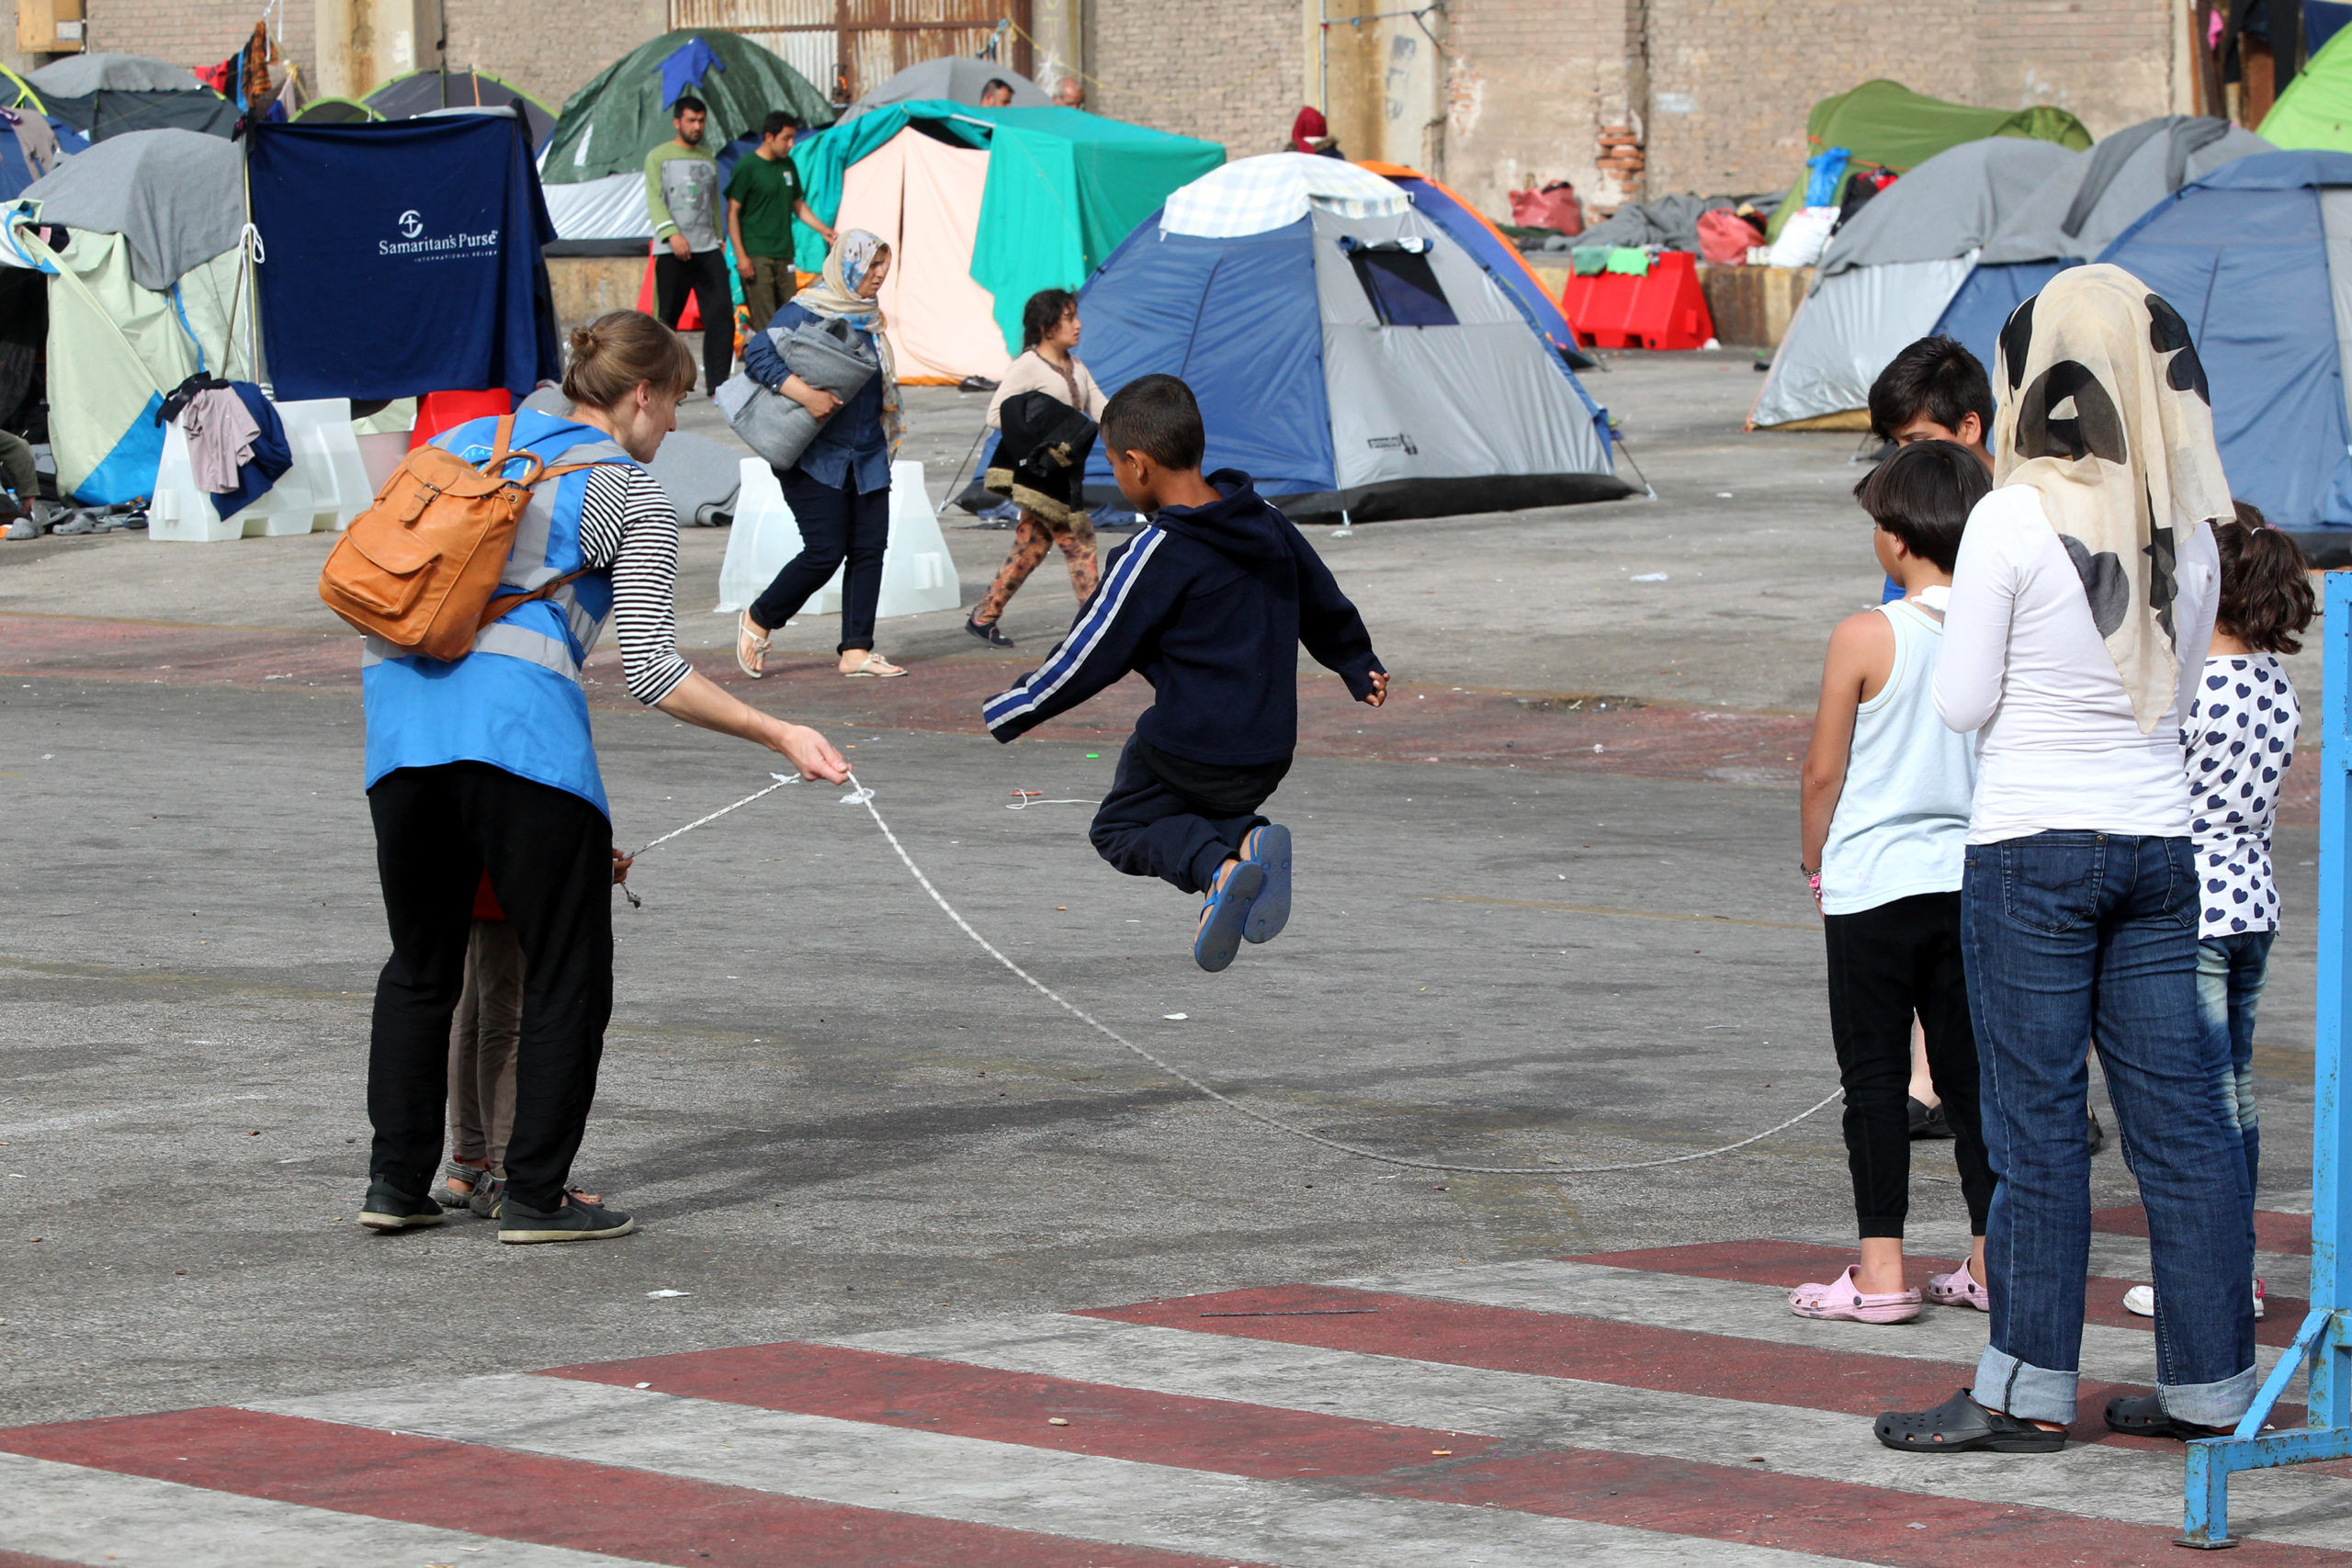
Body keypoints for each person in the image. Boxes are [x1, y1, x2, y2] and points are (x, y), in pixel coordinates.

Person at [356, 310, 848, 1243]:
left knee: (419, 969)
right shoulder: (628, 489)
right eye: (675, 405)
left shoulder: (457, 442)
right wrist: (778, 730)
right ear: (641, 395)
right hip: (523, 747)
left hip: (402, 737)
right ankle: (536, 1194)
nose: (673, 428)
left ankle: (395, 1184)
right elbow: (652, 670)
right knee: (566, 972)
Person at [1877, 265, 2243, 1454]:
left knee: (2032, 1125)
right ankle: (2209, 1386)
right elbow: (2179, 687)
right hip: (2159, 840)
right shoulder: (2188, 521)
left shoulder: (2011, 513)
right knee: (2182, 1125)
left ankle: (2026, 1389)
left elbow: (1964, 700)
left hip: (2033, 844)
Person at [982, 375, 1388, 973]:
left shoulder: (1155, 553)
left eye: (1113, 465)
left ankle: (1219, 870)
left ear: (1138, 464)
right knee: (1198, 805)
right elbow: (1319, 595)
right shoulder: (1265, 519)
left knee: (1120, 826)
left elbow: (1091, 651)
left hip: (1190, 744)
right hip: (1268, 748)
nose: (1116, 476)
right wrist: (1358, 663)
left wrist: (1014, 708)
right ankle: (1247, 838)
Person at [1792, 441, 1995, 1326]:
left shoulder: (1866, 635)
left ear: (1900, 538)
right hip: (1972, 879)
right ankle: (1991, 1259)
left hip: (1872, 882)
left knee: (1874, 1077)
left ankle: (1881, 1271)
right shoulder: (1999, 635)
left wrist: (1814, 862)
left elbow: (1822, 771)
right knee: (1971, 1079)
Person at [2120, 504, 2311, 1325]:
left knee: (2194, 1105)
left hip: (2187, 906)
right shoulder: (2275, 687)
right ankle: (2240, 1266)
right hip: (2252, 900)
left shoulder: (2187, 686)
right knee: (2235, 1093)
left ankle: (2207, 1273)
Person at [735, 231, 907, 681]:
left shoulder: (869, 317)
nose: (879, 275)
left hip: (866, 452)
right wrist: (806, 394)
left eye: (884, 266)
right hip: (814, 454)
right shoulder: (810, 308)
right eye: (871, 265)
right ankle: (760, 617)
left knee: (869, 549)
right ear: (846, 265)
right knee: (825, 551)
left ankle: (856, 649)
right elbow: (758, 353)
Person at [967, 288, 1108, 649]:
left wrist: (1134, 429)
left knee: (1031, 545)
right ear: (1046, 327)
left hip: (1064, 474)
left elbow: (1101, 410)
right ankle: (1095, 629)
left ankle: (984, 616)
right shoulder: (1028, 366)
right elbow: (996, 414)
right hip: (1040, 478)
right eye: (1069, 318)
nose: (1078, 325)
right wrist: (1044, 429)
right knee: (1081, 543)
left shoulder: (1076, 366)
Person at [645, 95, 732, 397]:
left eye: (701, 121)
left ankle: (719, 386)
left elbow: (712, 204)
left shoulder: (708, 158)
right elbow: (654, 199)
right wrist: (672, 234)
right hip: (672, 249)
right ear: (677, 122)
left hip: (707, 247)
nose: (697, 126)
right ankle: (659, 383)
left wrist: (719, 239)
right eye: (691, 120)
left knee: (721, 314)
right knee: (666, 320)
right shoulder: (658, 156)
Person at [726, 110, 834, 333]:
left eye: (793, 137)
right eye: (786, 138)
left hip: (785, 254)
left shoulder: (788, 165)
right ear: (769, 136)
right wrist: (741, 257)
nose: (791, 144)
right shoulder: (747, 167)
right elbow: (732, 213)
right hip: (757, 256)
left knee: (791, 316)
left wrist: (824, 230)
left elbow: (798, 204)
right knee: (766, 323)